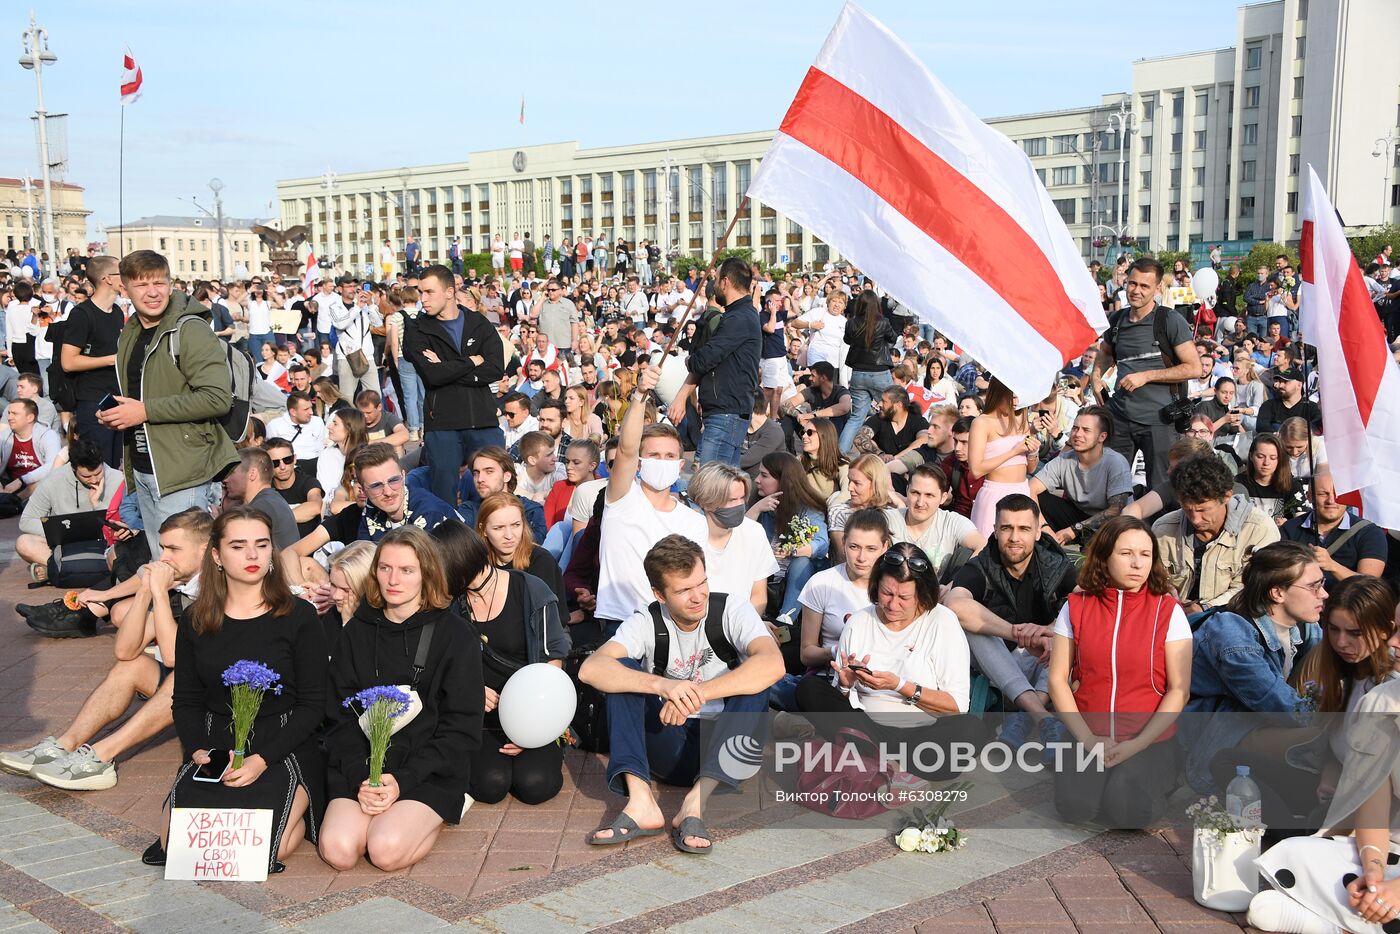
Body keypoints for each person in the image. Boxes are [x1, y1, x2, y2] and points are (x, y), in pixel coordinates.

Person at [152, 506, 327, 871]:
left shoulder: (299, 616)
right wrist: (199, 749)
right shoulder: (196, 620)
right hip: (217, 742)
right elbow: (185, 700)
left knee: (263, 852)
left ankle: (299, 806)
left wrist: (262, 759)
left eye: (262, 545)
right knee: (178, 849)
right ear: (216, 555)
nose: (252, 556)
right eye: (238, 546)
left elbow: (313, 704)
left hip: (283, 741)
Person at [580, 535, 782, 852]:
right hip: (667, 741)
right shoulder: (646, 621)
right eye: (683, 590)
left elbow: (774, 664)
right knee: (622, 671)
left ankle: (694, 805)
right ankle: (641, 802)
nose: (697, 596)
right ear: (659, 594)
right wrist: (663, 686)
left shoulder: (732, 609)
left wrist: (696, 694)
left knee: (755, 680)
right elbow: (590, 669)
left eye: (701, 583)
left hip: (728, 751)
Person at [1, 509, 211, 788]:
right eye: (162, 548)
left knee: (182, 678)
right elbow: (124, 652)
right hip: (195, 688)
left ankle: (101, 757)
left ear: (205, 549)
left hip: (229, 700)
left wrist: (159, 594)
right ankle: (63, 745)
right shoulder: (182, 585)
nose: (163, 558)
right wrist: (146, 592)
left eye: (173, 549)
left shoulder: (219, 587)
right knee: (131, 667)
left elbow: (174, 658)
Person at [318, 527, 484, 872]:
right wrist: (360, 776)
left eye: (407, 570)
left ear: (427, 574)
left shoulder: (455, 635)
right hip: (362, 767)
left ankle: (437, 815)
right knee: (339, 850)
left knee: (384, 850)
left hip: (426, 770)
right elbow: (339, 718)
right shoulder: (357, 632)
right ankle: (387, 812)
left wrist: (402, 781)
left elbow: (461, 729)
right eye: (385, 568)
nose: (393, 580)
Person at [1047, 516, 1192, 827]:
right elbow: (1058, 680)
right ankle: (1101, 779)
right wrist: (1087, 739)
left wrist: (1136, 745)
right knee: (1074, 808)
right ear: (1104, 557)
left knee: (1128, 812)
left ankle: (1160, 776)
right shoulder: (1075, 606)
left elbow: (1179, 689)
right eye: (1126, 554)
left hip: (1148, 738)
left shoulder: (1168, 611)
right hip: (1088, 733)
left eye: (1145, 554)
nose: (1137, 563)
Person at [796, 541, 982, 780]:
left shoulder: (942, 621)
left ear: (922, 595)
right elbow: (843, 703)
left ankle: (877, 763)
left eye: (904, 597)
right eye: (886, 594)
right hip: (867, 729)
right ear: (876, 588)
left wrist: (899, 686)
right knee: (809, 688)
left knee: (971, 729)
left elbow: (956, 706)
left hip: (922, 735)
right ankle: (883, 763)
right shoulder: (859, 622)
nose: (893, 605)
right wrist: (845, 684)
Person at [434, 521, 569, 807]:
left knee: (535, 785)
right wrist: (470, 690)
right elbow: (442, 664)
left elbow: (552, 661)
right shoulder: (450, 604)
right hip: (479, 712)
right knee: (490, 785)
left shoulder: (529, 589)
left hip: (534, 708)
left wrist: (532, 727)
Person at [1180, 541, 1326, 794]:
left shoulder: (1306, 624)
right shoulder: (1231, 633)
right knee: (1327, 741)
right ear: (1277, 593)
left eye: (1322, 584)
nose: (1324, 594)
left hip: (1254, 725)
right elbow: (1278, 703)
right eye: (1314, 587)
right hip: (1206, 736)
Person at [944, 494, 1078, 745]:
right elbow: (955, 604)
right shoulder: (981, 565)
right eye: (1006, 528)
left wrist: (1049, 631)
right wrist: (1017, 633)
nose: (1015, 537)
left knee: (1071, 630)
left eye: (1024, 529)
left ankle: (1024, 714)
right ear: (994, 530)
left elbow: (1088, 600)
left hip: (1044, 663)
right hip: (998, 664)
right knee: (973, 629)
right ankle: (1042, 717)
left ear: (1038, 532)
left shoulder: (1056, 563)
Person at [593, 361, 708, 637]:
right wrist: (640, 395)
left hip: (673, 627)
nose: (662, 461)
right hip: (621, 623)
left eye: (669, 457)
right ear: (640, 464)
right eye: (654, 456)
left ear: (681, 465)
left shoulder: (694, 522)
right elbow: (627, 447)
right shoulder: (621, 498)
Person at [1093, 258, 1202, 489]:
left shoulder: (1169, 320)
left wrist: (1147, 376)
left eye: (1144, 286)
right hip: (1121, 417)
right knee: (1111, 487)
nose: (1136, 291)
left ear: (1157, 288)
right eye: (1132, 284)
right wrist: (1095, 378)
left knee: (1161, 490)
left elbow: (1194, 368)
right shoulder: (1117, 320)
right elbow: (1105, 353)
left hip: (1159, 421)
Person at [402, 266, 506, 505]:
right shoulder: (417, 328)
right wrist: (470, 361)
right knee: (444, 499)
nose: (423, 299)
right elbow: (432, 376)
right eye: (420, 292)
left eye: (429, 292)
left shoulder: (478, 323)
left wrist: (447, 367)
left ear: (450, 292)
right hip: (443, 425)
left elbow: (494, 369)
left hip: (483, 421)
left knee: (494, 498)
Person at [1154, 454, 1281, 614]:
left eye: (1203, 510)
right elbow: (1152, 577)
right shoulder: (1163, 529)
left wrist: (1205, 608)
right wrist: (1163, 590)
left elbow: (1255, 588)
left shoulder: (1260, 529)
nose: (1196, 519)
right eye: (1187, 509)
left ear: (1227, 496)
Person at [682, 258, 762, 468]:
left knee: (711, 489)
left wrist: (689, 360)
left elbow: (705, 358)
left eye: (716, 280)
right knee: (723, 487)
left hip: (726, 412)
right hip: (726, 410)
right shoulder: (739, 314)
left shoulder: (739, 318)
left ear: (726, 282)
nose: (714, 285)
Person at [14, 438, 123, 580]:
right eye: (86, 476)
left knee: (130, 549)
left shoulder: (118, 479)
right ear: (73, 469)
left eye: (98, 473)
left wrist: (97, 505)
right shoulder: (54, 480)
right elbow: (26, 520)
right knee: (24, 543)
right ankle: (69, 568)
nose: (94, 480)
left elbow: (121, 525)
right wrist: (62, 532)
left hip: (105, 547)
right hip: (66, 546)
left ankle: (57, 570)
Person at [1028, 407, 1134, 547]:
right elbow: (1031, 489)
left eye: (1086, 430)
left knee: (1110, 531)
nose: (1077, 434)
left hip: (1112, 525)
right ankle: (1049, 542)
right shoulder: (1065, 460)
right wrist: (1043, 526)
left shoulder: (1115, 462)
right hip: (1079, 515)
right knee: (1039, 498)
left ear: (1102, 437)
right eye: (1075, 428)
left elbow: (1116, 509)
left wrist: (1074, 529)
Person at [687, 461, 777, 615]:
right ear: (706, 502)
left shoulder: (754, 532)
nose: (739, 505)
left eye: (742, 498)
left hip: (743, 623)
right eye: (731, 500)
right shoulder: (687, 538)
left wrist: (748, 626)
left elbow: (758, 595)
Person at [750, 452, 830, 623]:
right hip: (762, 578)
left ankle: (786, 619)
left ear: (783, 480)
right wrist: (755, 509)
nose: (757, 479)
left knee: (801, 561)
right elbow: (736, 538)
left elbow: (821, 544)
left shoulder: (806, 508)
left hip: (790, 579)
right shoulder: (758, 502)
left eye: (764, 475)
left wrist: (792, 549)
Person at [60, 255, 124, 467]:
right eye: (121, 272)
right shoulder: (82, 314)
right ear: (107, 278)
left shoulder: (115, 312)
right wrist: (111, 360)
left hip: (116, 398)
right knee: (99, 467)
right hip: (92, 401)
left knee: (115, 468)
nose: (126, 276)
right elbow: (68, 362)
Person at [1281, 465, 1389, 584]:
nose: (1331, 501)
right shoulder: (1290, 529)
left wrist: (1332, 566)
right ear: (1309, 496)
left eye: (1338, 494)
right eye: (1323, 494)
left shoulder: (1369, 533)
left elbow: (1369, 586)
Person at [885, 464, 984, 576]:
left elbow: (982, 547)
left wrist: (957, 584)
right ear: (907, 490)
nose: (920, 502)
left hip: (939, 592)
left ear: (943, 498)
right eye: (915, 493)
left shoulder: (951, 522)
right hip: (892, 590)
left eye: (929, 495)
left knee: (966, 554)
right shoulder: (888, 520)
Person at [967, 378, 1036, 538]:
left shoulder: (1022, 420)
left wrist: (1032, 451)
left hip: (1023, 491)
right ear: (999, 393)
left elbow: (1030, 468)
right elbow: (976, 470)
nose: (1015, 402)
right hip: (995, 494)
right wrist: (1014, 451)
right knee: (989, 551)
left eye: (1019, 397)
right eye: (1012, 396)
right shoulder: (981, 422)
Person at [475, 492, 567, 608]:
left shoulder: (540, 560)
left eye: (516, 525)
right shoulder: (476, 563)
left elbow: (547, 616)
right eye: (498, 528)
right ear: (483, 530)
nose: (509, 535)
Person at [839, 290, 899, 453]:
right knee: (894, 412)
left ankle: (840, 455)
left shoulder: (851, 323)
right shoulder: (883, 322)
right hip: (879, 372)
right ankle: (897, 451)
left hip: (858, 373)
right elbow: (893, 338)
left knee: (856, 418)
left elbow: (847, 340)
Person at [827, 453, 904, 552]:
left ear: (875, 484)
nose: (849, 487)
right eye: (850, 481)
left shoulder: (890, 513)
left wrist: (900, 506)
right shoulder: (839, 512)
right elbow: (843, 555)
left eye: (857, 483)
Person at [1234, 432, 1305, 523]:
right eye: (1260, 457)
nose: (1266, 463)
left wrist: (1288, 525)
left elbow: (1302, 521)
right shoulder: (1239, 483)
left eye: (1273, 458)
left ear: (1279, 459)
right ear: (1251, 456)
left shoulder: (1293, 485)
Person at [0, 397, 62, 497]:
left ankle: (17, 502)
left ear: (30, 418)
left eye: (15, 414)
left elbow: (53, 464)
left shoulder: (48, 435)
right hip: (9, 486)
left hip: (39, 486)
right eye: (9, 413)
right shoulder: (4, 436)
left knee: (42, 484)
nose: (9, 417)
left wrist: (22, 480)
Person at [266, 437, 325, 539]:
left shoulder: (307, 482)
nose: (282, 466)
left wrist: (274, 521)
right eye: (275, 463)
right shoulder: (265, 487)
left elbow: (315, 507)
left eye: (287, 460)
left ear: (294, 459)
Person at [317, 408, 368, 512]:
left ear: (349, 429)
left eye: (335, 424)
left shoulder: (367, 455)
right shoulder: (326, 454)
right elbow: (324, 493)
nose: (329, 426)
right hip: (332, 510)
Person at [266, 391, 328, 478]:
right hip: (290, 465)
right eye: (306, 409)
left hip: (315, 465)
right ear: (293, 412)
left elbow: (320, 450)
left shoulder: (318, 422)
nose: (311, 412)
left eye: (311, 408)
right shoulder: (274, 426)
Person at [796, 416, 848, 503]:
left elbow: (847, 493)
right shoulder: (799, 462)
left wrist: (830, 509)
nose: (804, 436)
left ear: (824, 436)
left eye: (809, 432)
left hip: (829, 511)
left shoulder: (840, 464)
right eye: (803, 432)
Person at [1257, 368, 1321, 434]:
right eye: (1280, 381)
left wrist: (1297, 433)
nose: (1280, 385)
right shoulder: (1269, 405)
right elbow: (1261, 426)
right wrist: (1275, 434)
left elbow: (1317, 423)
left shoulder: (1310, 406)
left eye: (1285, 382)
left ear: (1299, 385)